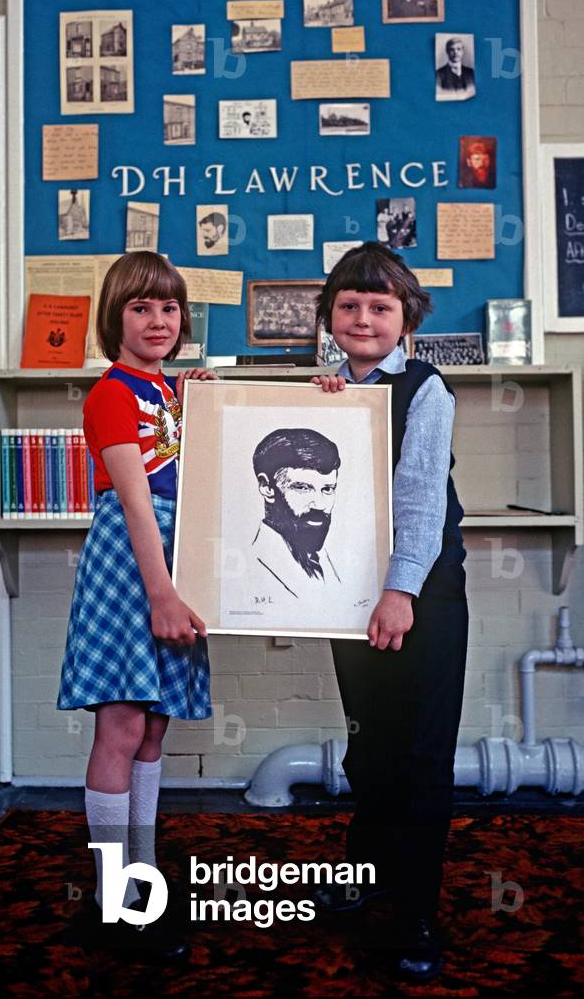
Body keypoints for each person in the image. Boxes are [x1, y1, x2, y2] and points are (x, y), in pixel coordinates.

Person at [310, 241, 468, 983]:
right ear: (330, 317)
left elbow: (419, 501)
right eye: (349, 305)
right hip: (349, 595)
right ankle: (362, 880)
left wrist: (401, 592)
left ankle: (415, 914)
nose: (363, 317)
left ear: (405, 320)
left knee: (421, 756)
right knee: (369, 750)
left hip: (421, 596)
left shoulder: (426, 389)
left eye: (379, 306)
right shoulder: (326, 391)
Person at [57, 251, 215, 957]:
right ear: (114, 318)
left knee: (154, 730)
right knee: (120, 728)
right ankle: (112, 896)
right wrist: (162, 596)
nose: (158, 320)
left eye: (169, 307)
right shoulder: (112, 393)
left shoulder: (177, 390)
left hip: (175, 568)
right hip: (136, 567)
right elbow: (136, 503)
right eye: (141, 307)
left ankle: (139, 875)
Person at [250, 428, 342, 598]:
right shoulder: (249, 566)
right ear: (267, 487)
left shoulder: (329, 565)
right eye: (302, 488)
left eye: (327, 489)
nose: (320, 505)